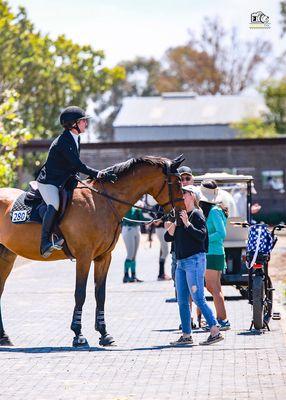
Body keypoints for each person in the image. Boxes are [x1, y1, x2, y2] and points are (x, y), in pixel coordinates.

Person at [36, 106, 117, 258]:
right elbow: (77, 165)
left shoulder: (75, 137)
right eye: (83, 121)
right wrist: (98, 174)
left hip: (64, 180)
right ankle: (45, 242)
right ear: (73, 124)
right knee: (54, 203)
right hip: (49, 182)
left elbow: (72, 166)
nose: (86, 123)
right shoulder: (63, 141)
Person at [165, 185, 223, 346]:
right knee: (182, 299)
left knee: (198, 297)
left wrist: (187, 223)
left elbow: (201, 236)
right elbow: (167, 238)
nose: (181, 195)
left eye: (183, 192)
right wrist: (176, 223)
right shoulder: (180, 215)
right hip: (181, 263)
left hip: (195, 260)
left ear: (192, 196)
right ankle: (186, 335)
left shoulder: (197, 214)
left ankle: (214, 330)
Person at [199, 180, 230, 330]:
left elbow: (221, 233)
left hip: (213, 253)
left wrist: (203, 238)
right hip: (214, 253)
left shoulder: (214, 211)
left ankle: (222, 320)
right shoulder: (214, 209)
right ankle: (222, 319)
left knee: (213, 288)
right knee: (215, 288)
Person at [122, 203, 148, 283]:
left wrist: (151, 219)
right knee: (130, 254)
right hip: (128, 229)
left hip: (137, 229)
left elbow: (141, 219)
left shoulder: (136, 208)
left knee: (134, 255)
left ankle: (133, 275)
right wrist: (137, 208)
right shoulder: (127, 206)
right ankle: (126, 275)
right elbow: (129, 217)